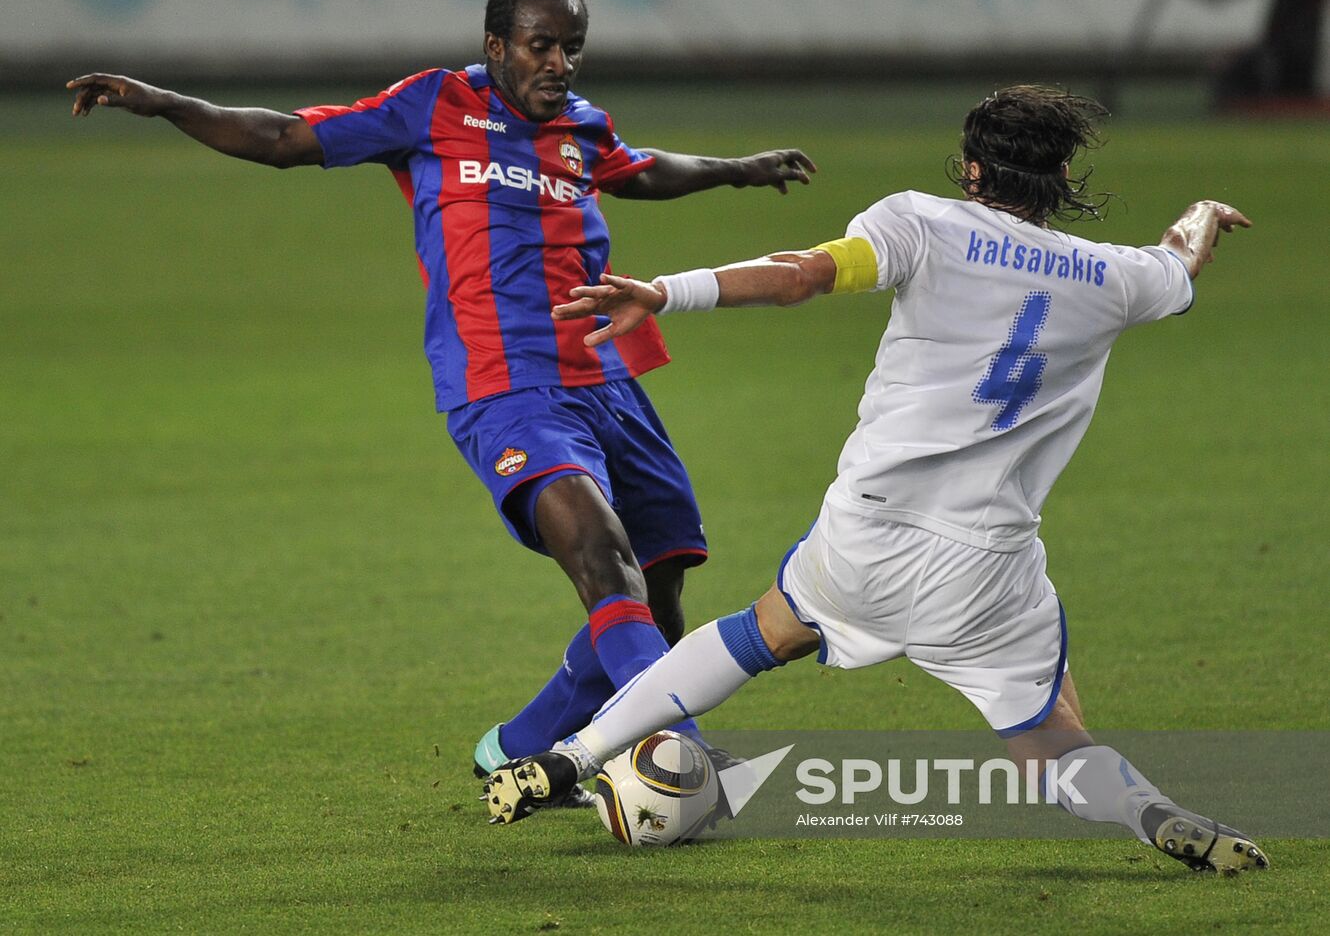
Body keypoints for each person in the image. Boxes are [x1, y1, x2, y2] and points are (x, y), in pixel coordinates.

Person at [66, 0, 817, 804]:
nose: (559, 63)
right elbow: (282, 138)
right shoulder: (433, 107)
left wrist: (737, 168)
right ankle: (676, 757)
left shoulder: (580, 128)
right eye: (541, 46)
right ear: (496, 47)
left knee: (662, 583)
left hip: (606, 374)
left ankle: (520, 744)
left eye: (573, 47)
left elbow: (637, 170)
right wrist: (166, 102)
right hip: (502, 384)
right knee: (605, 564)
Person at [482, 85, 1269, 873]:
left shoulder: (919, 223)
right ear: (1062, 174)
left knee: (761, 632)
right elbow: (1180, 260)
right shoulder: (1115, 278)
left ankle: (572, 756)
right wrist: (1203, 209)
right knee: (1053, 738)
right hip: (986, 562)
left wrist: (664, 292)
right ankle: (1151, 812)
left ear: (970, 169)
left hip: (865, 530)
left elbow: (802, 274)